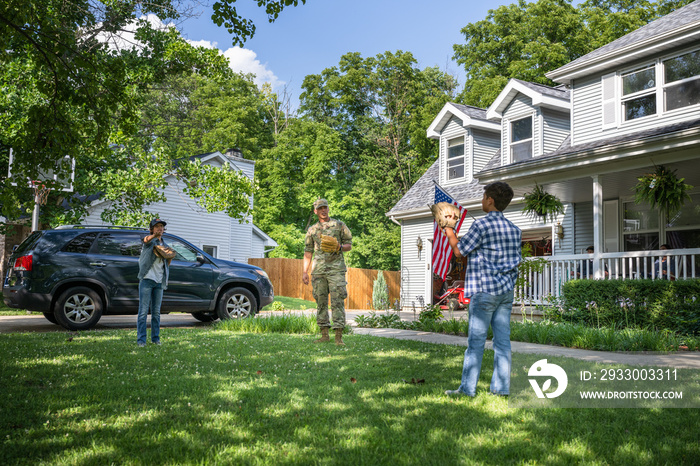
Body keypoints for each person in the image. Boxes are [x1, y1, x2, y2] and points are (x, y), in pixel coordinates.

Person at [442, 182, 522, 397]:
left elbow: (459, 251)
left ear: (490, 200)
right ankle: (500, 389)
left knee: (475, 343)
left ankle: (467, 390)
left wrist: (448, 228)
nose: (481, 200)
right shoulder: (515, 230)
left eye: (483, 196)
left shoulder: (481, 226)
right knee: (503, 343)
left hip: (484, 291)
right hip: (505, 292)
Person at [302, 199, 352, 346]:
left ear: (328, 209)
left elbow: (349, 245)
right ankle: (324, 335)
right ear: (315, 211)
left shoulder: (339, 225)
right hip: (318, 270)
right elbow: (308, 251)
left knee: (337, 301)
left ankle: (338, 337)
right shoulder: (312, 230)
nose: (323, 210)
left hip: (336, 269)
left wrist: (339, 247)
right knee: (321, 302)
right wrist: (304, 271)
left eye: (325, 207)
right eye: (320, 208)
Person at [136, 218, 171, 347]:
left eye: (161, 226)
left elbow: (167, 262)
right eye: (157, 227)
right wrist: (153, 236)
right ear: (152, 229)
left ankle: (155, 339)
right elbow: (145, 240)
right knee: (143, 311)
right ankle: (141, 341)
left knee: (156, 312)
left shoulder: (165, 244)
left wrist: (169, 257)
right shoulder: (150, 241)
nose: (160, 228)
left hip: (159, 280)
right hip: (147, 279)